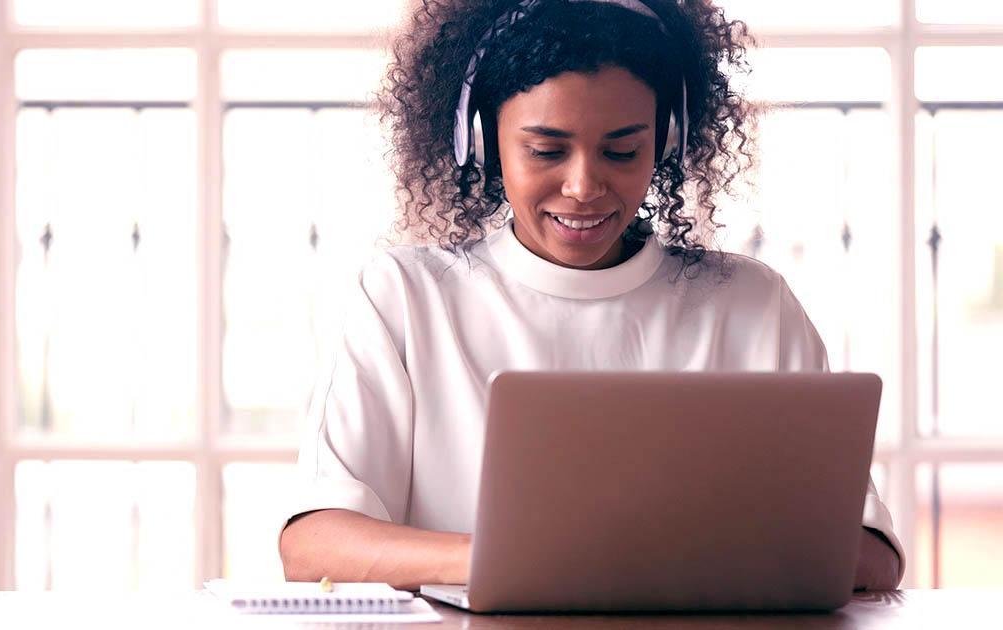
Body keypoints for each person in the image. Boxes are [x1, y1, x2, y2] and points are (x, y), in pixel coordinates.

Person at [278, 0, 904, 592]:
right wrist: (520, 560)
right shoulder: (405, 297)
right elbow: (313, 545)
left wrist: (664, 560)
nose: (583, 186)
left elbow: (871, 554)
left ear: (668, 142)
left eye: (622, 150)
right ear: (481, 140)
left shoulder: (751, 304)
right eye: (546, 150)